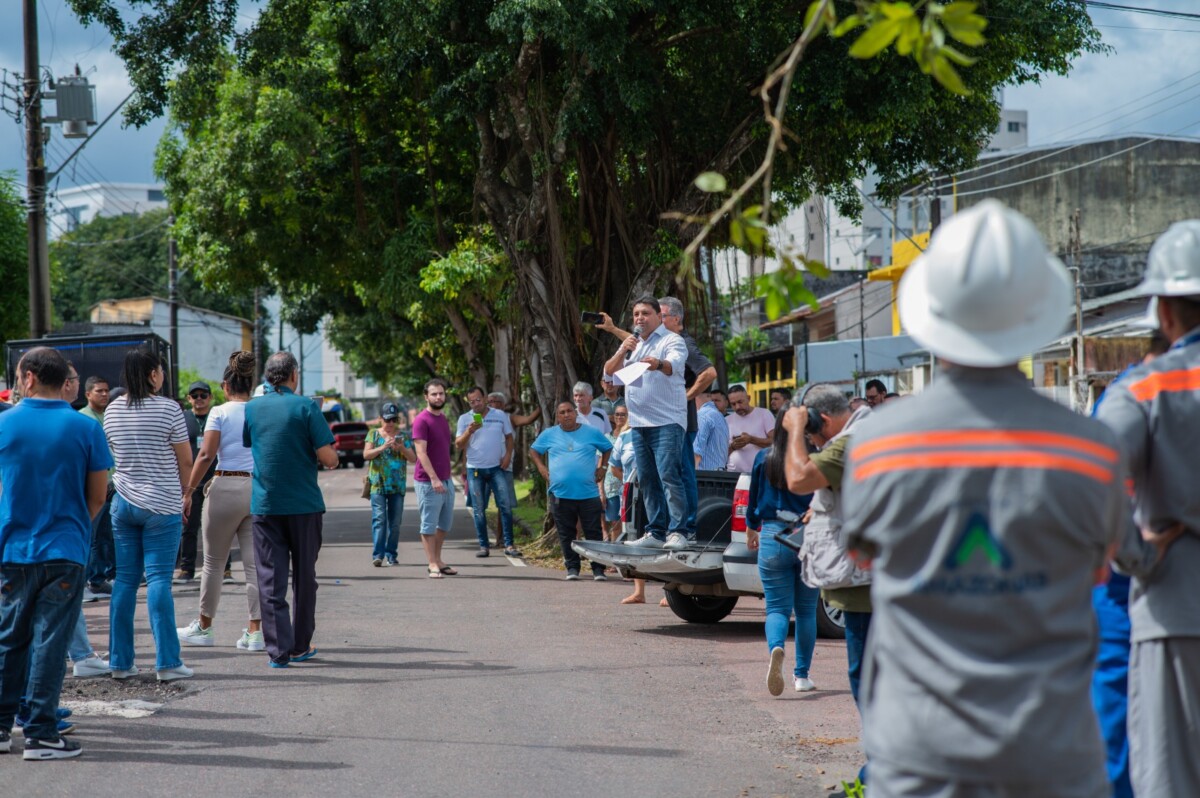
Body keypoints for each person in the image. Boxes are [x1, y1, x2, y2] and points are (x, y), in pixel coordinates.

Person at [840, 200, 1129, 796]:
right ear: (1034, 316)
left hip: (921, 755)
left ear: (933, 314)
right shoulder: (1094, 450)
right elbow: (1098, 568)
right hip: (1052, 756)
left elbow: (868, 558)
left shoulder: (876, 445)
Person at [1097, 220, 1200, 798]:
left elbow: (1097, 480)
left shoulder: (1143, 388)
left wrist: (1138, 555)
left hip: (1173, 612)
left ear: (1163, 311)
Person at [0, 348, 110, 759]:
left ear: (27, 377)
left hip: (12, 547)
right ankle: (42, 733)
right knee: (50, 640)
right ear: (62, 379)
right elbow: (97, 497)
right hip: (64, 547)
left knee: (10, 638)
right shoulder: (84, 427)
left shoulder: (4, 424)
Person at [103, 347, 195, 682]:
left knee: (125, 581)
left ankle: (120, 663)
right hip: (162, 504)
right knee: (158, 581)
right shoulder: (170, 409)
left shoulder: (112, 411)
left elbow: (114, 454)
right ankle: (168, 663)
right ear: (154, 374)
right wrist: (187, 493)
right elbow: (185, 460)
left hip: (123, 503)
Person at [243, 352, 338, 668]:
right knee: (304, 578)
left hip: (266, 505)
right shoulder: (306, 406)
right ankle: (300, 645)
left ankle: (278, 652)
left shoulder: (253, 408)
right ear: (293, 375)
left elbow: (251, 441)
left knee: (270, 578)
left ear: (269, 376)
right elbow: (329, 458)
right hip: (303, 506)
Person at [782, 386, 872, 702]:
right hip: (869, 576)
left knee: (865, 676)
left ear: (823, 421)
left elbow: (798, 478)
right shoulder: (866, 433)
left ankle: (882, 751)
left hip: (868, 583)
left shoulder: (852, 442)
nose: (811, 444)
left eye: (811, 437)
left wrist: (793, 431)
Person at [177, 353, 266, 652]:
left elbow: (206, 455)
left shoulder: (219, 412)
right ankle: (255, 632)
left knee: (214, 563)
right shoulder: (260, 411)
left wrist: (188, 491)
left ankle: (204, 626)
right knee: (254, 566)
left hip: (226, 484)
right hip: (256, 488)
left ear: (225, 386)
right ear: (250, 384)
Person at [603, 296, 688, 550]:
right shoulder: (634, 344)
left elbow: (674, 365)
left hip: (667, 421)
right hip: (639, 424)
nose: (639, 318)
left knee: (669, 476)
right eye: (636, 314)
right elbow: (609, 373)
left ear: (658, 316)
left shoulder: (672, 340)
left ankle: (678, 531)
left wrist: (658, 363)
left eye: (645, 313)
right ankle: (656, 531)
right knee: (648, 480)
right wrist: (622, 348)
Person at [747, 409, 815, 696]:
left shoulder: (764, 458)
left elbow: (753, 500)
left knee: (776, 608)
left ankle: (776, 647)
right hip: (806, 536)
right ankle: (802, 676)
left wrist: (752, 529)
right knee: (807, 612)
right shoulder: (813, 458)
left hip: (773, 535)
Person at [529, 401, 613, 581]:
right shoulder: (549, 434)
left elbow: (607, 448)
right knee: (566, 533)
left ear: (575, 413)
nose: (566, 415)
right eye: (562, 412)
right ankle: (572, 568)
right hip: (560, 494)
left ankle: (598, 569)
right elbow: (534, 451)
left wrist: (603, 468)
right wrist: (542, 469)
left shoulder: (591, 432)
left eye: (569, 411)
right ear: (557, 416)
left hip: (588, 494)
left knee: (594, 533)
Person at [659, 296, 718, 543]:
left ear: (676, 319)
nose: (657, 322)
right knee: (664, 473)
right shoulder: (658, 343)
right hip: (660, 421)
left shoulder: (683, 342)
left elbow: (709, 372)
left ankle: (688, 528)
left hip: (682, 421)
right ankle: (667, 528)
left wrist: (686, 396)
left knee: (683, 473)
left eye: (661, 316)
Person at [456, 387, 518, 558]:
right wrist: (469, 431)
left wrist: (507, 456)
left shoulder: (499, 416)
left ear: (485, 398)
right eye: (472, 401)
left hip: (497, 468)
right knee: (478, 509)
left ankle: (509, 544)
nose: (476, 404)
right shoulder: (464, 419)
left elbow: (509, 438)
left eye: (478, 400)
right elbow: (458, 445)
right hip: (475, 470)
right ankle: (484, 546)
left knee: (505, 506)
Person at [412, 379, 457, 577]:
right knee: (428, 524)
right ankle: (431, 563)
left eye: (441, 393)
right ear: (426, 397)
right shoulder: (421, 420)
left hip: (446, 479)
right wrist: (434, 478)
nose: (438, 397)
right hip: (428, 481)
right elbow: (421, 453)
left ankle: (438, 559)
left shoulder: (443, 418)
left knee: (444, 524)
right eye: (434, 394)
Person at [364, 402, 416, 567]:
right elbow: (366, 454)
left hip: (397, 486)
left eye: (394, 420)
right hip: (377, 486)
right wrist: (382, 447)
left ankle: (391, 554)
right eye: (387, 420)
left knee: (395, 522)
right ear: (380, 419)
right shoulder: (373, 434)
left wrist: (401, 448)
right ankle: (378, 555)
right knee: (379, 519)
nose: (391, 424)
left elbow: (413, 459)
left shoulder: (403, 437)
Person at [175, 380, 217, 584]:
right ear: (189, 399)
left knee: (217, 527)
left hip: (214, 480)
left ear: (210, 398)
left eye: (203, 395)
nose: (199, 399)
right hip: (190, 482)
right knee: (189, 528)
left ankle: (223, 569)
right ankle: (187, 568)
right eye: (195, 395)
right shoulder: (184, 418)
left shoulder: (216, 417)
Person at [78, 376, 115, 599]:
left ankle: (98, 579)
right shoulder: (83, 418)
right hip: (92, 485)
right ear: (88, 394)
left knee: (104, 536)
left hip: (112, 483)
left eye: (106, 390)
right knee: (89, 536)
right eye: (99, 391)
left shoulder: (109, 416)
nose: (104, 394)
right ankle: (82, 583)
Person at [725, 385, 775, 474]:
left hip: (761, 473)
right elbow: (719, 453)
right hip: (734, 474)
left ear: (748, 398)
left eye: (740, 402)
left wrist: (751, 440)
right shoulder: (726, 421)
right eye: (733, 404)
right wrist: (733, 447)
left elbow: (775, 442)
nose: (737, 407)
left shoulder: (764, 414)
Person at [602, 406, 629, 541]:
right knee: (615, 524)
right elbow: (601, 465)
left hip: (630, 485)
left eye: (623, 414)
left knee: (630, 523)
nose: (620, 417)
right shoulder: (607, 438)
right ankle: (613, 560)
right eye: (617, 414)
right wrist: (601, 491)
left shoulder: (632, 436)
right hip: (611, 487)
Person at [693, 387, 730, 470]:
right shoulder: (720, 416)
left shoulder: (702, 415)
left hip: (703, 477)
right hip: (717, 476)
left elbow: (696, 453)